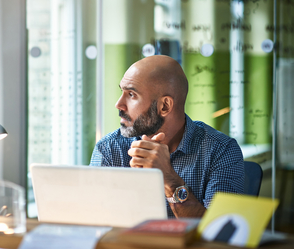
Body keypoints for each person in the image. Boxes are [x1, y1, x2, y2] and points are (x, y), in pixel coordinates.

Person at [90, 55, 245, 218]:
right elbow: (91, 221)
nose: (118, 104)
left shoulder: (221, 151)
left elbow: (220, 233)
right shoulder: (108, 149)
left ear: (164, 106)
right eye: (122, 92)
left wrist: (169, 179)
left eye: (132, 95)